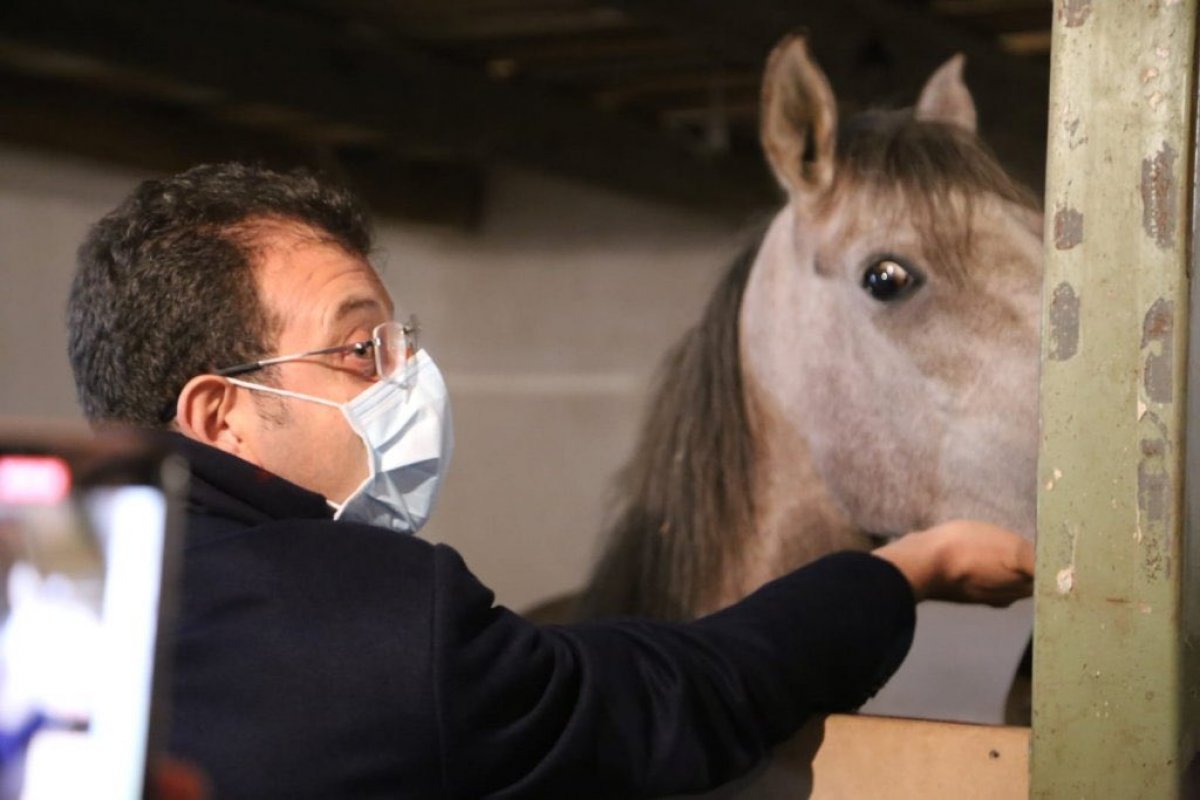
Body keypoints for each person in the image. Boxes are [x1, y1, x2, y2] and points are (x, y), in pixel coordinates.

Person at [66, 163, 1034, 799]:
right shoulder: (382, 622)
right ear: (219, 414)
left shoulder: (53, 579)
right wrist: (909, 566)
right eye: (364, 348)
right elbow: (685, 692)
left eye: (406, 342)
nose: (412, 379)